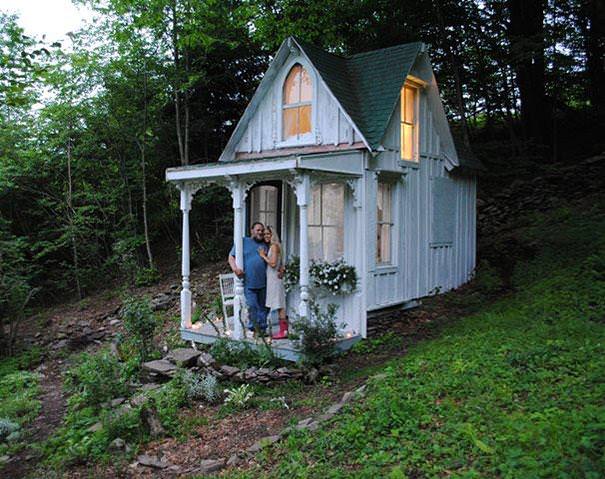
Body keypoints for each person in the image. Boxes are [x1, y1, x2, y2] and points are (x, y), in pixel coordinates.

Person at [228, 222, 269, 333]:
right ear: (252, 231)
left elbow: (275, 257)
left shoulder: (266, 244)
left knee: (263, 307)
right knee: (252, 305)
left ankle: (262, 330)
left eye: (262, 230)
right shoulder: (243, 241)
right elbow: (231, 257)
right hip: (249, 281)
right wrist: (235, 269)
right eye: (258, 230)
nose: (260, 232)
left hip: (264, 281)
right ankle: (254, 328)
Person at [259, 226, 288, 339]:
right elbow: (281, 264)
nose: (266, 236)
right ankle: (282, 330)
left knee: (279, 305)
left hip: (275, 280)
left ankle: (283, 331)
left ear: (272, 235)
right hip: (273, 278)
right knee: (278, 304)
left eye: (268, 234)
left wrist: (263, 256)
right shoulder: (273, 246)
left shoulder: (274, 247)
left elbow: (273, 264)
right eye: (265, 234)